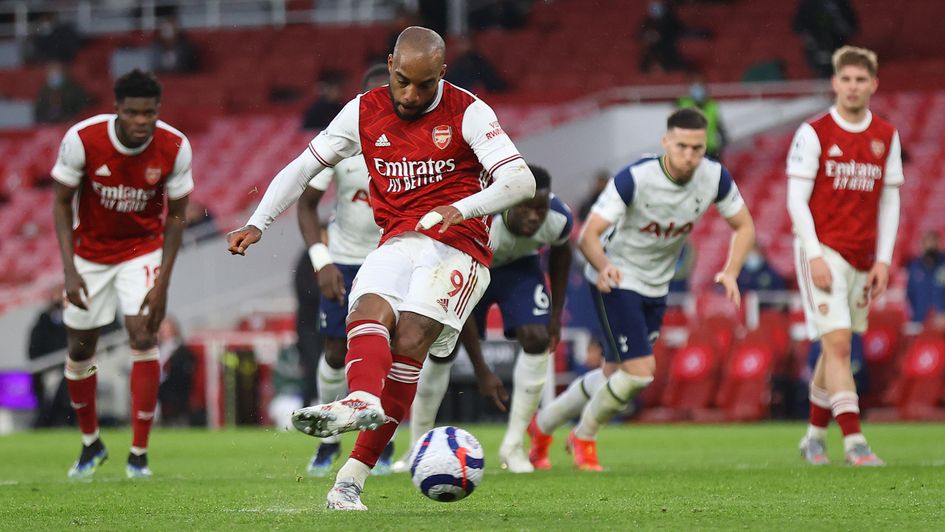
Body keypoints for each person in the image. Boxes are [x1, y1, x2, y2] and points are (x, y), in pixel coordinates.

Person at [225, 27, 535, 510]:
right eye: (404, 81)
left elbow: (521, 180)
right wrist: (258, 221)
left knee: (409, 342)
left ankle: (351, 477)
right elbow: (302, 168)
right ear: (390, 65)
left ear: (443, 74)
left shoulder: (469, 111)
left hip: (458, 247)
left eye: (426, 84)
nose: (412, 95)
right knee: (364, 311)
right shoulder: (362, 110)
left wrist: (464, 208)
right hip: (397, 240)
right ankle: (361, 404)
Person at [528, 107, 754, 471]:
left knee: (613, 375)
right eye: (681, 146)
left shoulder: (714, 178)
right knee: (640, 371)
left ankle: (542, 426)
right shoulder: (635, 178)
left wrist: (731, 270)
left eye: (697, 148)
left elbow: (744, 226)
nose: (689, 156)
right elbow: (588, 236)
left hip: (656, 285)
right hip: (615, 278)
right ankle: (582, 436)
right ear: (666, 142)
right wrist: (604, 267)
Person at [51, 69, 193, 479]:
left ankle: (138, 454)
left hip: (141, 250)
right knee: (80, 350)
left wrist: (163, 284)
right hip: (89, 254)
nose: (140, 122)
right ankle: (91, 442)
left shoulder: (174, 146)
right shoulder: (83, 139)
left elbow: (178, 216)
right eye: (131, 113)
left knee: (144, 334)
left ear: (157, 111)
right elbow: (61, 203)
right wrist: (69, 271)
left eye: (148, 113)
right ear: (117, 109)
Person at [392, 164, 573, 474]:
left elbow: (561, 252)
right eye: (526, 208)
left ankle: (514, 447)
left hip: (520, 268)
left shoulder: (558, 219)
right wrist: (482, 370)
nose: (534, 216)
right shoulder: (483, 220)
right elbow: (460, 315)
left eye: (539, 209)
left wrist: (555, 315)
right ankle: (417, 446)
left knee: (538, 338)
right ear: (510, 202)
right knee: (441, 350)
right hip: (471, 263)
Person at [787, 46, 902, 466]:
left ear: (873, 84)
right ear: (835, 83)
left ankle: (814, 436)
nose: (853, 87)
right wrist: (814, 255)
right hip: (823, 250)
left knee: (838, 345)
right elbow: (796, 201)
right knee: (837, 344)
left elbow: (890, 202)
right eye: (846, 79)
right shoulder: (813, 132)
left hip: (861, 256)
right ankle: (855, 443)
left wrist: (884, 259)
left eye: (861, 80)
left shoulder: (886, 135)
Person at [296, 64, 395, 477]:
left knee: (387, 353)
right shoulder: (340, 144)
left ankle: (379, 443)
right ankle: (329, 441)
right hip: (345, 260)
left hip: (390, 260)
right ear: (359, 99)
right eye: (373, 96)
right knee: (335, 353)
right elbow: (305, 204)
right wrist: (323, 262)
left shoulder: (415, 147)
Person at [793, 0, 858, 78]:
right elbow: (798, 25)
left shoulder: (841, 3)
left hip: (838, 45)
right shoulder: (808, 4)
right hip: (815, 47)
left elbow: (852, 27)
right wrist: (809, 38)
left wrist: (838, 19)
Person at [157, 316, 197, 426]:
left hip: (174, 398)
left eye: (165, 329)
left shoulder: (182, 351)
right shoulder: (158, 349)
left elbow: (182, 377)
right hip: (160, 395)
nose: (161, 333)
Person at [676, 78, 727, 160]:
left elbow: (719, 125)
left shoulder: (712, 106)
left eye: (699, 87)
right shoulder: (684, 104)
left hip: (710, 149)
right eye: (695, 87)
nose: (697, 91)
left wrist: (723, 143)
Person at [905, 231, 945, 324]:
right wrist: (915, 316)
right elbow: (910, 294)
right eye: (927, 243)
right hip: (920, 320)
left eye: (933, 243)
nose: (930, 246)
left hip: (941, 322)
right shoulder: (914, 266)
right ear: (922, 245)